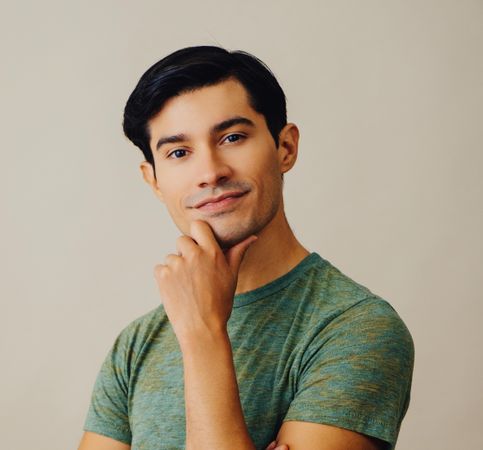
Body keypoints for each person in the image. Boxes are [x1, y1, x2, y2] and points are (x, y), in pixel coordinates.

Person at [77, 46, 414, 450]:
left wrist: (202, 333)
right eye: (179, 153)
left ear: (285, 148)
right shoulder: (136, 345)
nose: (210, 172)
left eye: (233, 137)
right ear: (153, 180)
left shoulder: (355, 329)